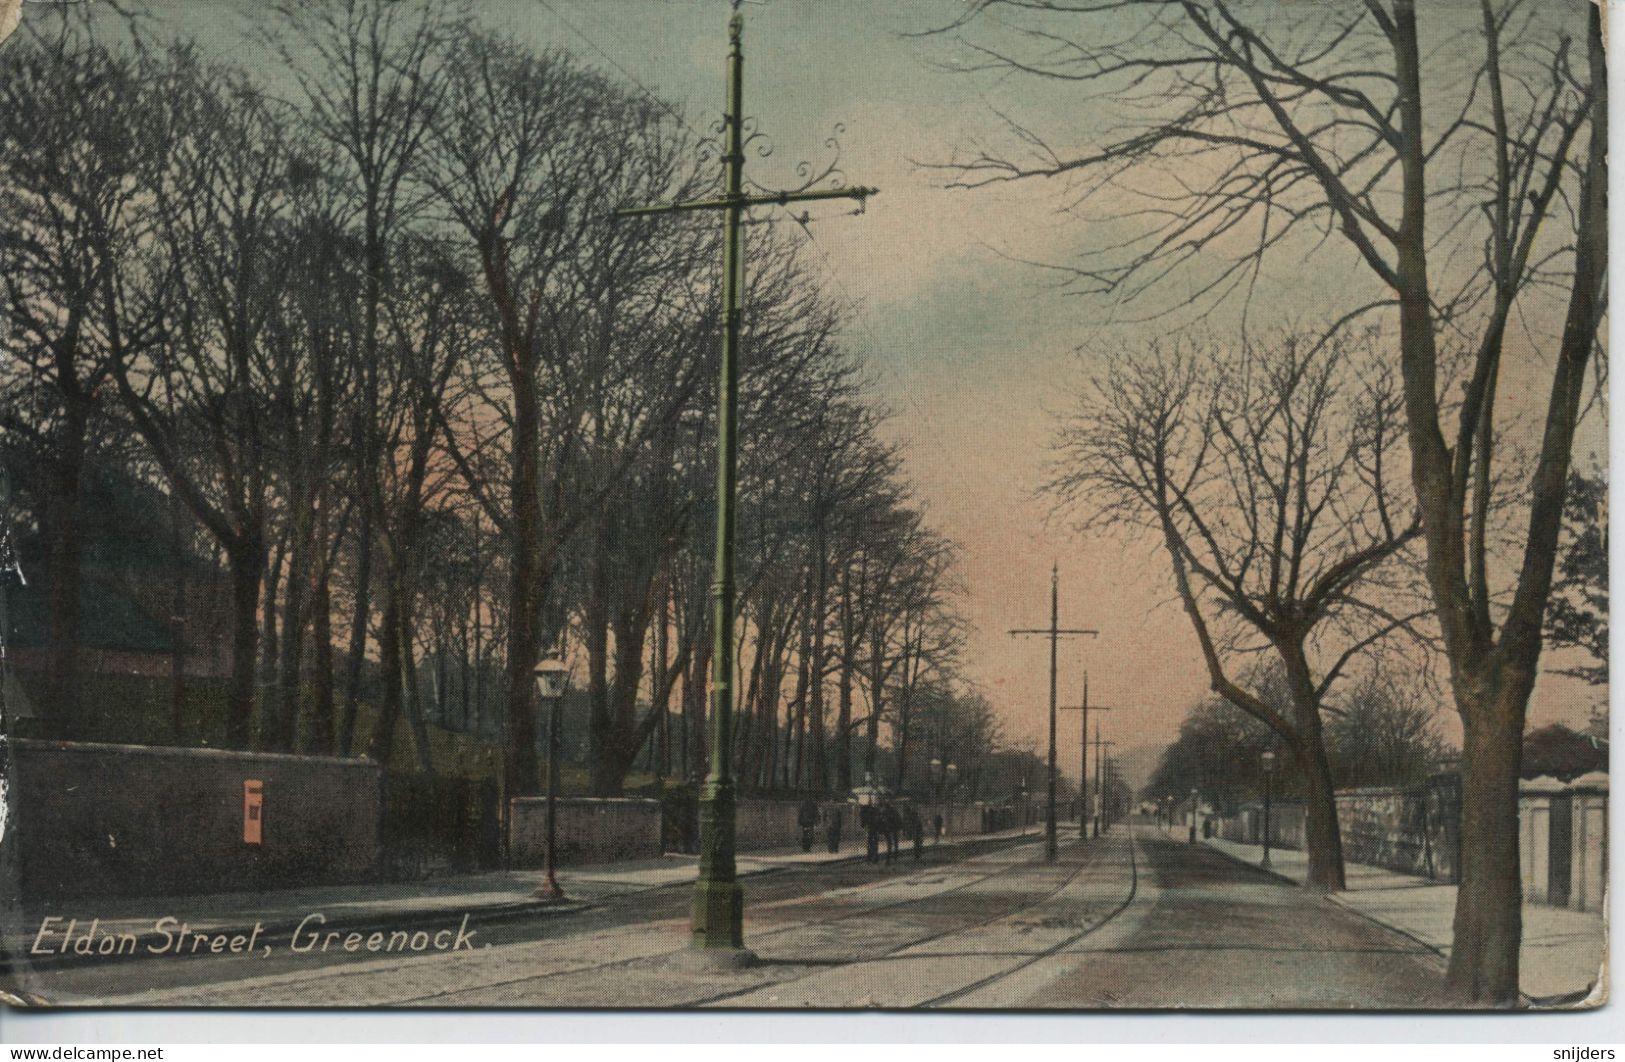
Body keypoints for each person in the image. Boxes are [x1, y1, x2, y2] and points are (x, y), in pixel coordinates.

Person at [878, 800, 901, 866]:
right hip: (890, 829)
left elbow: (896, 820)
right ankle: (893, 856)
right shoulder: (887, 811)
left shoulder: (891, 811)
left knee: (891, 843)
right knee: (892, 843)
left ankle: (892, 857)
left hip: (892, 829)